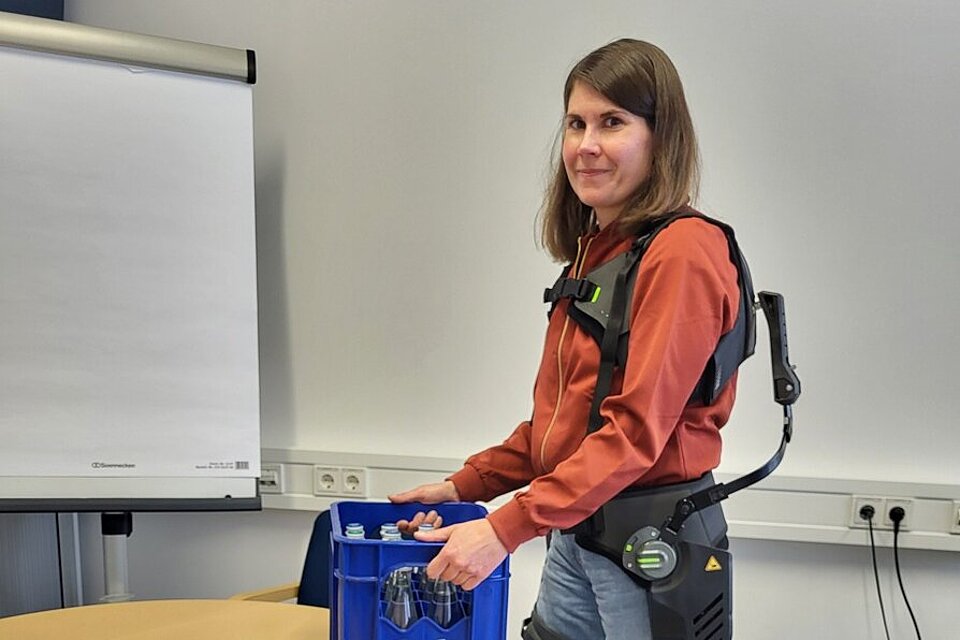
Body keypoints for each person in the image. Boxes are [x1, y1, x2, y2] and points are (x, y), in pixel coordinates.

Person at [389, 38, 742, 640]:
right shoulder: (601, 251)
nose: (587, 146)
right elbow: (566, 425)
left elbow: (632, 435)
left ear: (662, 138)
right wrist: (465, 486)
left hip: (646, 543)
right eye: (575, 124)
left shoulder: (683, 252)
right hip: (579, 531)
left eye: (613, 122)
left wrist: (503, 530)